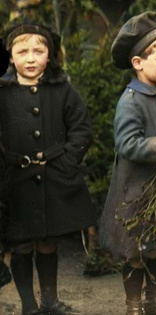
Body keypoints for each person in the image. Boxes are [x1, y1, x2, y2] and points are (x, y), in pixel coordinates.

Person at [99, 12, 156, 315]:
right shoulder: (131, 101)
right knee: (134, 251)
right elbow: (125, 143)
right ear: (138, 63)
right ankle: (134, 305)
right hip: (136, 191)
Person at [0, 20, 95, 315]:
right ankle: (29, 306)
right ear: (10, 55)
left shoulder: (62, 89)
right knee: (21, 244)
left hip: (53, 178)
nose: (30, 58)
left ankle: (49, 302)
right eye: (22, 51)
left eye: (38, 51)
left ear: (50, 55)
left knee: (47, 242)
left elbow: (81, 129)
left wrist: (66, 162)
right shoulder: (3, 91)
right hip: (14, 183)